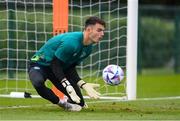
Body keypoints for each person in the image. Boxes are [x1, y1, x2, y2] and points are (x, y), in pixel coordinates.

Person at [28, 16, 106, 111]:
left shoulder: (88, 48)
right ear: (89, 29)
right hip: (40, 64)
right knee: (38, 82)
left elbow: (69, 67)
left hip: (57, 68)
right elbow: (55, 63)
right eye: (99, 30)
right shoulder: (71, 42)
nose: (102, 34)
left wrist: (82, 84)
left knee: (79, 103)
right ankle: (61, 103)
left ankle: (71, 101)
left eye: (103, 31)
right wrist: (66, 84)